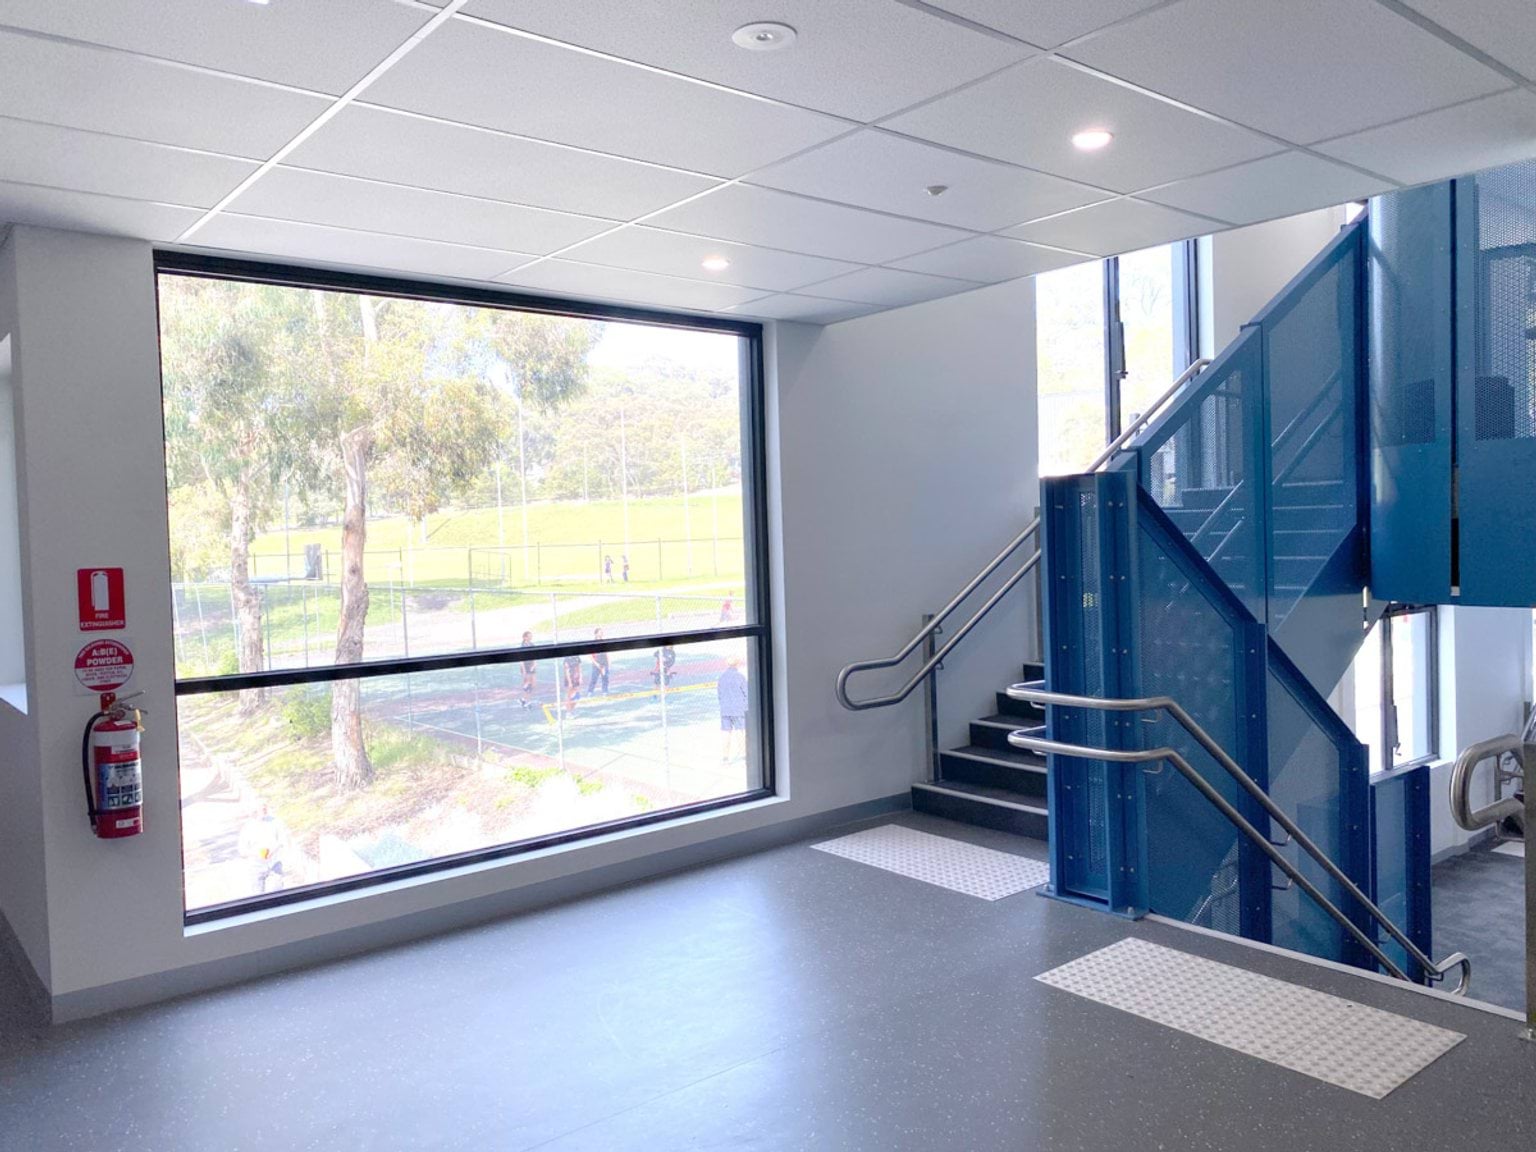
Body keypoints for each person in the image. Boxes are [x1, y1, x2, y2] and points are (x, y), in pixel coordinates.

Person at [238, 801, 288, 894]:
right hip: (256, 867)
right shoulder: (247, 828)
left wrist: (273, 850)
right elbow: (242, 851)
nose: (264, 811)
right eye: (261, 809)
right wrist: (256, 854)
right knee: (258, 897)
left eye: (265, 809)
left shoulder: (274, 822)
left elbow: (282, 840)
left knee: (278, 893)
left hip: (274, 864)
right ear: (253, 812)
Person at [716, 656, 748, 763]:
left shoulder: (721, 678)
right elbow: (746, 694)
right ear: (737, 664)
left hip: (725, 709)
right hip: (738, 709)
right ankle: (744, 756)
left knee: (726, 733)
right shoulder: (740, 677)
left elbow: (719, 694)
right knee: (740, 732)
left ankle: (725, 757)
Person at [587, 628, 610, 695]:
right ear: (596, 634)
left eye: (602, 632)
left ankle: (604, 691)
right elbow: (590, 655)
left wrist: (608, 662)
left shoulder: (604, 642)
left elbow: (606, 652)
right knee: (594, 678)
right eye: (600, 632)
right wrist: (596, 663)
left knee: (605, 678)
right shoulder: (593, 643)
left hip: (604, 663)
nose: (601, 634)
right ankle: (590, 692)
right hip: (597, 663)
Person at [519, 630, 536, 709]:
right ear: (525, 637)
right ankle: (527, 701)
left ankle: (524, 699)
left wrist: (534, 664)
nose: (531, 637)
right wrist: (524, 670)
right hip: (526, 666)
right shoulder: (522, 646)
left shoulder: (532, 645)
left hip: (531, 666)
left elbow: (534, 655)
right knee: (527, 684)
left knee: (533, 684)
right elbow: (521, 660)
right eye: (529, 636)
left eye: (531, 636)